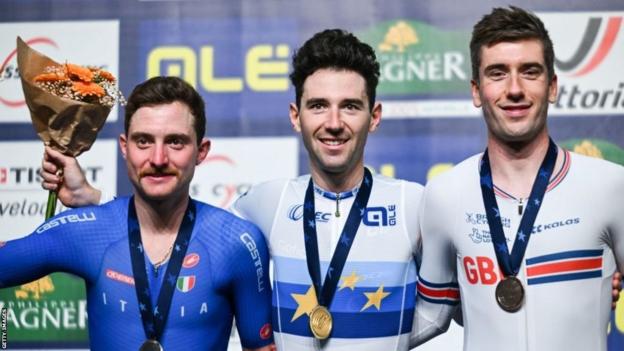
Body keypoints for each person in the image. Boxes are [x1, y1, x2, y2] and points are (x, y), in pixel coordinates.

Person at [3, 76, 274, 351]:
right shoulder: (89, 230)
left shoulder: (237, 243)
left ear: (201, 151)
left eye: (175, 142)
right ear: (125, 147)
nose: (158, 159)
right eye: (143, 141)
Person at [411, 6, 624, 351]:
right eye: (497, 73)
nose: (514, 89)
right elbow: (432, 316)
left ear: (552, 86)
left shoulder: (612, 187)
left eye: (530, 72)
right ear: (477, 91)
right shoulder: (443, 195)